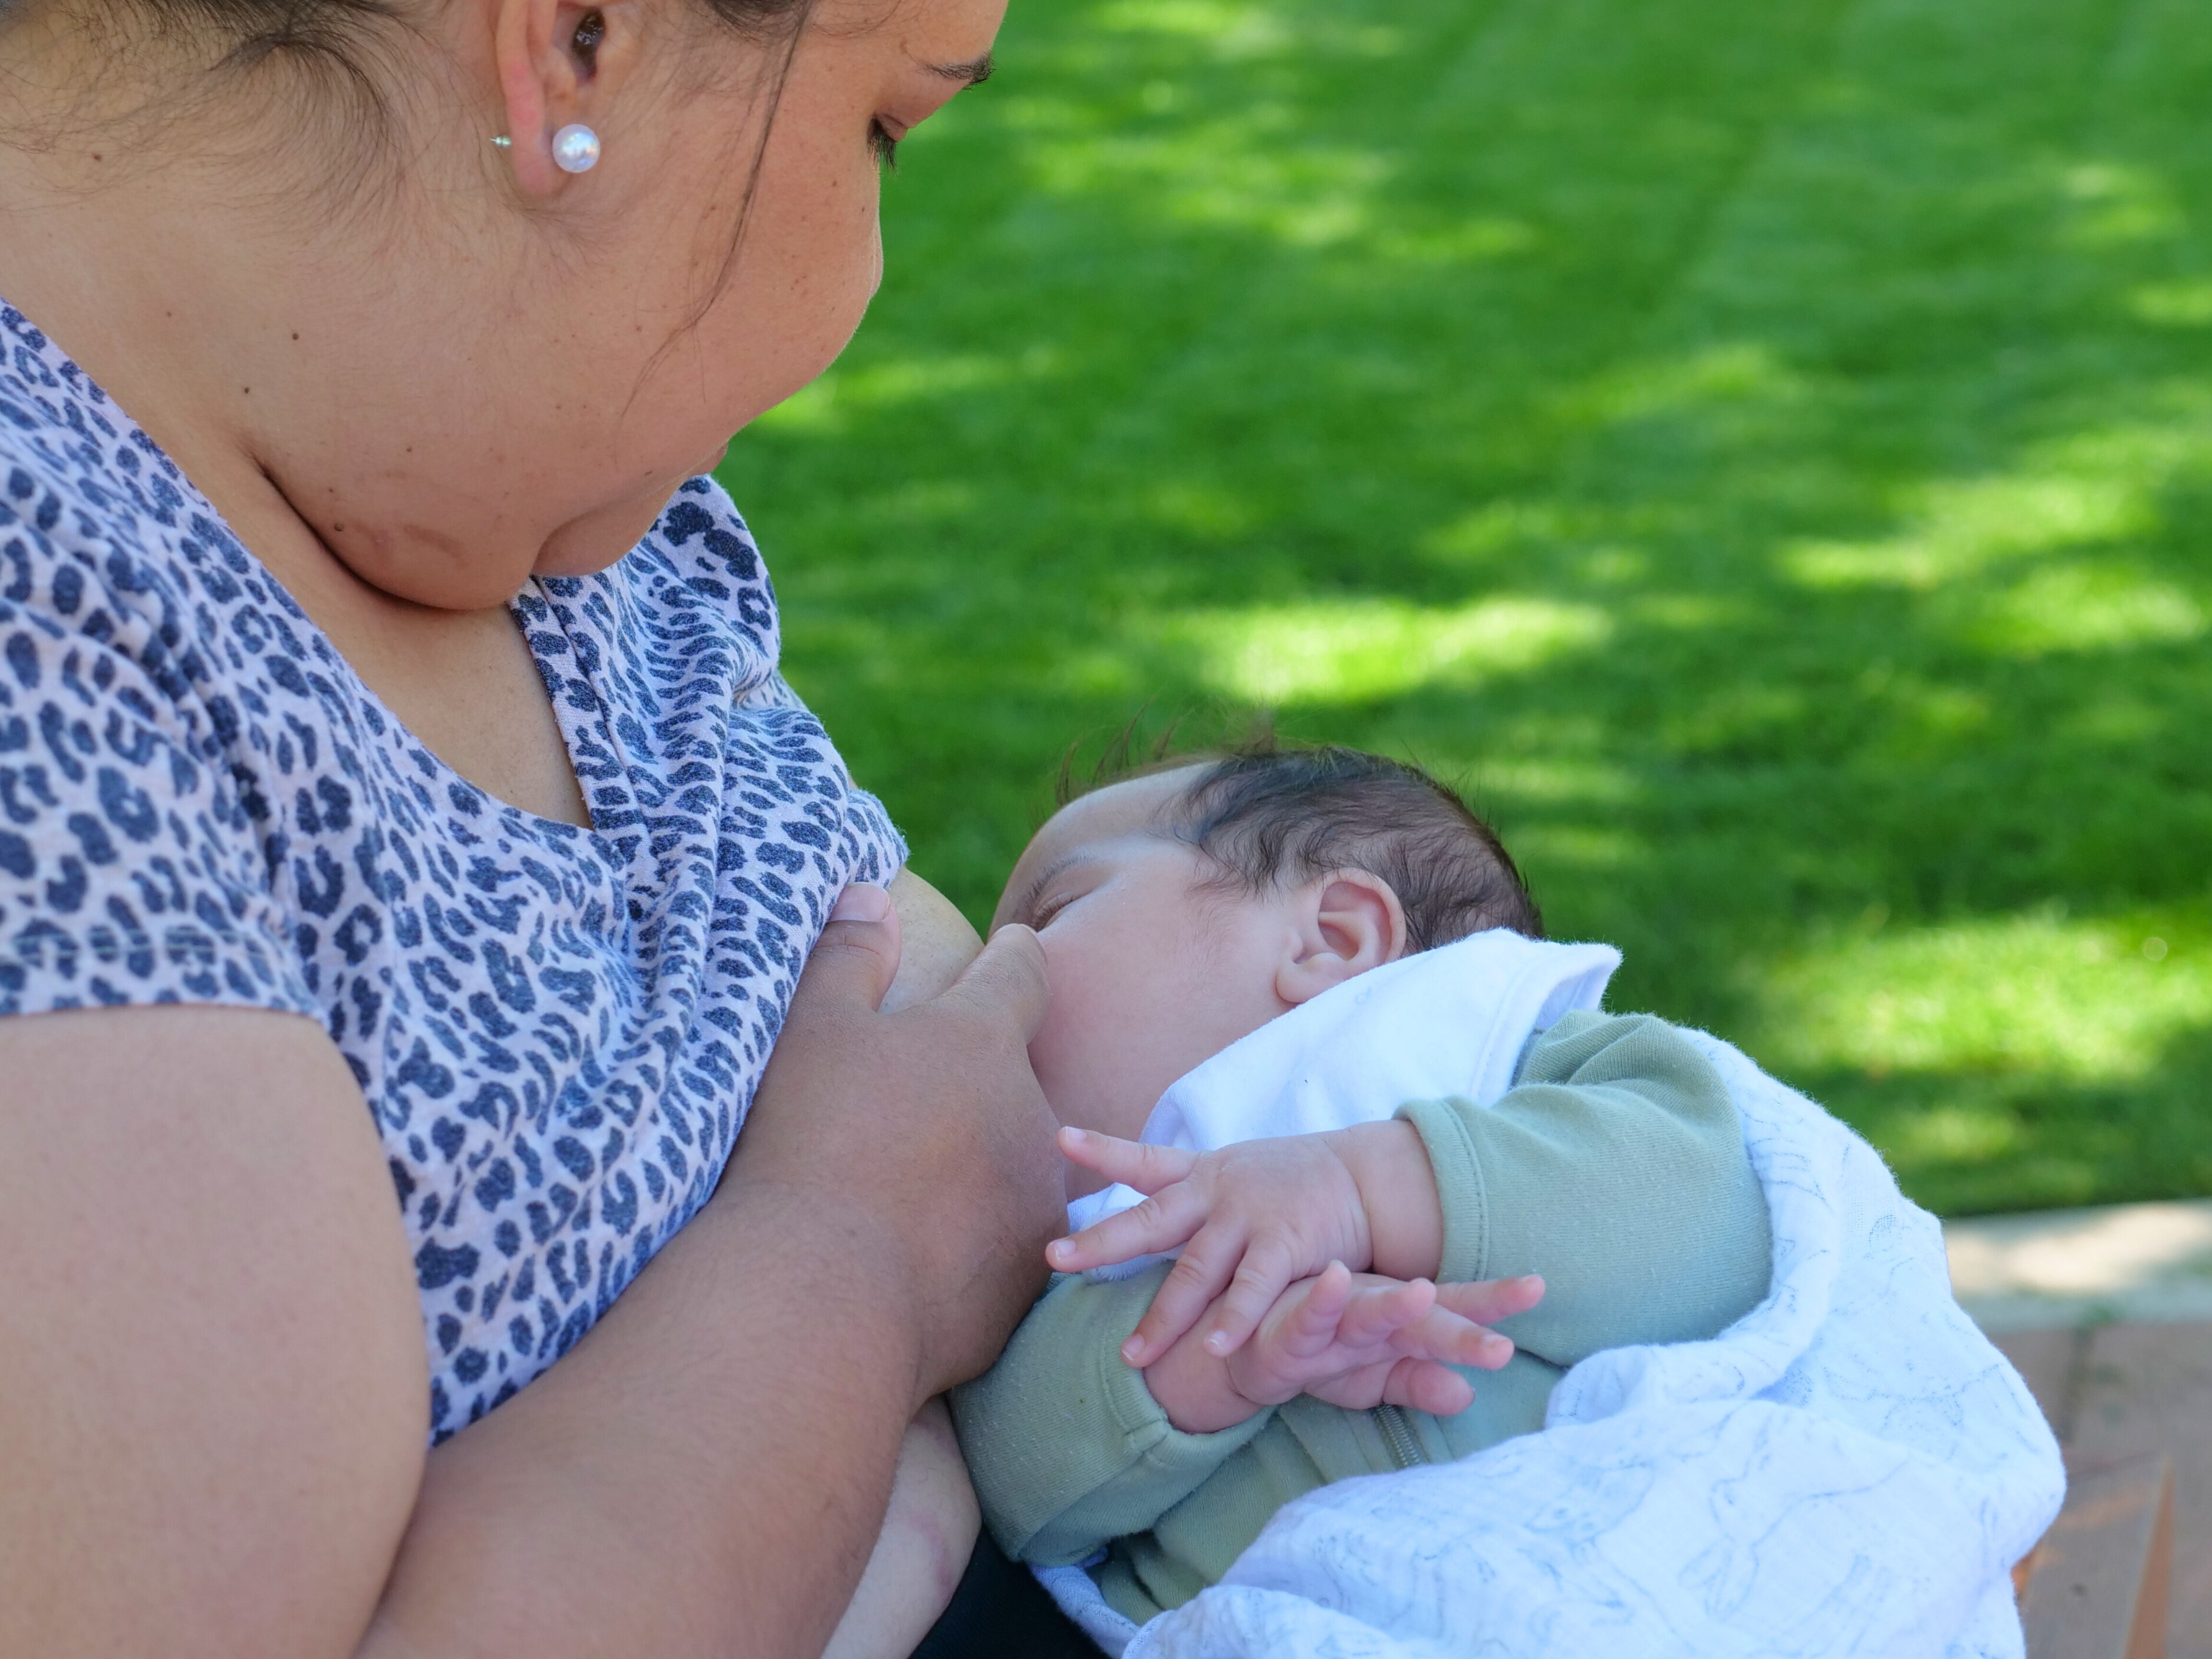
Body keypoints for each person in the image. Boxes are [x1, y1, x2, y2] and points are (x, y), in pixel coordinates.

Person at [0, 0, 1087, 1652]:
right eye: (888, 124)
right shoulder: (43, 655)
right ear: (577, 41)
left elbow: (997, 1064)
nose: (866, 274)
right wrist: (850, 1253)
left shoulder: (525, 487)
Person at [949, 747, 1773, 1628]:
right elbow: (1014, 1491)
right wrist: (1212, 1355)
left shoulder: (1518, 1066)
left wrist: (1360, 1190)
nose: (991, 978)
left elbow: (1716, 1219)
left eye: (1053, 912)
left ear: (1330, 939)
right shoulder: (1096, 1258)